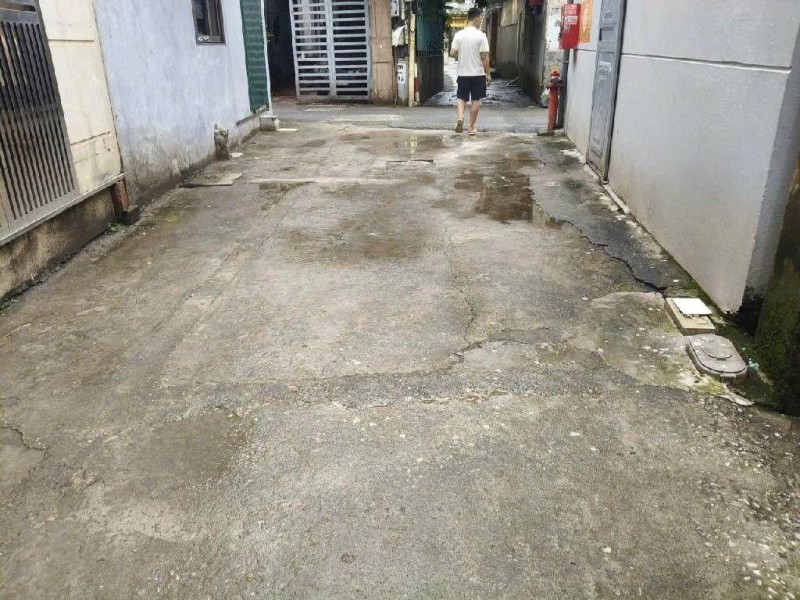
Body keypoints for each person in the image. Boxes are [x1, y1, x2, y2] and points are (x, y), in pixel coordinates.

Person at [449, 8, 491, 135]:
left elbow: (452, 53)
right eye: (481, 18)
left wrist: (462, 55)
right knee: (476, 100)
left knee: (461, 98)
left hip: (463, 73)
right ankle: (471, 127)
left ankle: (460, 117)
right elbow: (484, 57)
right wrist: (488, 73)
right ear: (477, 18)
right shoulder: (481, 36)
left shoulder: (459, 35)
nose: (481, 20)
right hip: (478, 74)